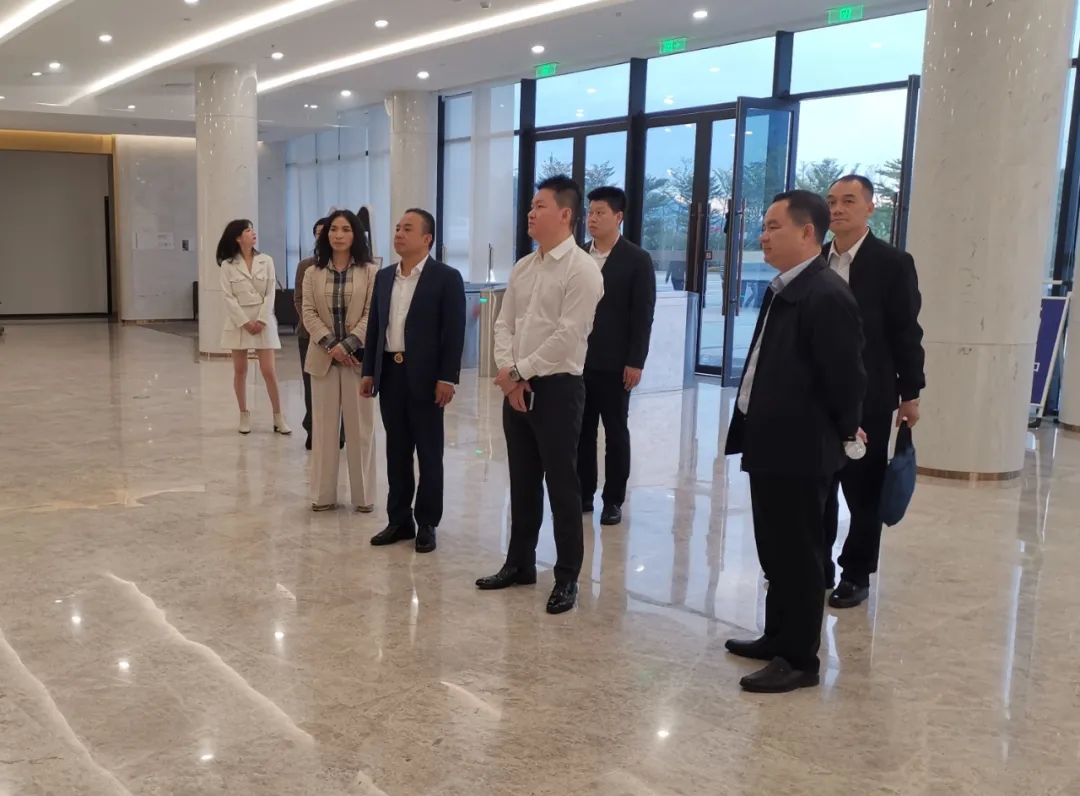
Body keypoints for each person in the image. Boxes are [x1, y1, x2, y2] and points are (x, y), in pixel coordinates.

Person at [723, 190, 866, 693]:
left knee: (801, 555)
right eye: (763, 226)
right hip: (769, 441)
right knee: (775, 549)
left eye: (773, 226)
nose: (763, 236)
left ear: (808, 232)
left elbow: (847, 378)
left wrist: (847, 429)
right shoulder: (785, 288)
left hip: (802, 448)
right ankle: (777, 636)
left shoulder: (825, 294)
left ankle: (800, 659)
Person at [476, 174, 604, 615]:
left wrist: (518, 372)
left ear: (565, 214)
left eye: (540, 206)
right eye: (530, 206)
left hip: (558, 389)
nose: (530, 213)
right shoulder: (524, 267)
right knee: (522, 478)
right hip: (518, 386)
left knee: (562, 484)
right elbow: (503, 324)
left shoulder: (582, 270)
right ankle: (520, 563)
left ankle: (567, 577)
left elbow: (568, 336)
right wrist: (511, 375)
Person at [823, 175, 925, 609]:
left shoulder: (892, 263)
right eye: (831, 201)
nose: (837, 209)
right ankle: (817, 565)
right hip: (817, 396)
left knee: (862, 489)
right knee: (818, 485)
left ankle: (856, 573)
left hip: (870, 394)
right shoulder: (816, 260)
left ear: (870, 207)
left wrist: (911, 393)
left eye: (849, 201)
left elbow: (906, 331)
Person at [361, 209, 466, 554]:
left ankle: (427, 523)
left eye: (408, 229)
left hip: (426, 377)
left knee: (429, 453)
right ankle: (399, 520)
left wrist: (447, 378)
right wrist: (369, 371)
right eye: (397, 228)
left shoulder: (446, 277)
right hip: (391, 374)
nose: (399, 233)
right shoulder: (384, 277)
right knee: (396, 450)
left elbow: (454, 333)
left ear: (427, 238)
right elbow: (376, 327)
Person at [577, 185, 656, 526]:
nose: (592, 219)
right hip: (577, 360)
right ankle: (582, 494)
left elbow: (643, 315)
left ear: (618, 217)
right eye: (590, 212)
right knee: (581, 431)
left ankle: (613, 500)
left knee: (615, 433)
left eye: (600, 213)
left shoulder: (636, 259)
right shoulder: (578, 255)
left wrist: (635, 361)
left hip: (615, 363)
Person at [301, 209, 378, 512]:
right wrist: (332, 345)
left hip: (358, 360)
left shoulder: (370, 272)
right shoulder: (312, 272)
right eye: (334, 229)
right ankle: (323, 495)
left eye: (346, 229)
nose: (338, 235)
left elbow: (372, 313)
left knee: (361, 430)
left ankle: (364, 497)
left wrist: (348, 345)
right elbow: (308, 312)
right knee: (324, 430)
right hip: (323, 359)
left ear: (356, 234)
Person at [216, 219, 291, 436]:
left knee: (269, 370)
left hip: (263, 320)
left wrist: (262, 319)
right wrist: (244, 322)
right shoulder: (228, 265)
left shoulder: (266, 260)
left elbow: (270, 292)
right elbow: (228, 297)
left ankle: (278, 417)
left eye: (252, 229)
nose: (253, 233)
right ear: (238, 238)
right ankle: (243, 414)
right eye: (248, 231)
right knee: (240, 370)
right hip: (238, 322)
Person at [295, 218, 345, 452]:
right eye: (320, 232)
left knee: (343, 387)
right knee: (312, 386)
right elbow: (300, 300)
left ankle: (340, 432)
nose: (327, 236)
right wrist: (317, 329)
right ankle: (313, 429)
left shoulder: (356, 268)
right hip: (310, 336)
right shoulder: (306, 266)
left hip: (344, 339)